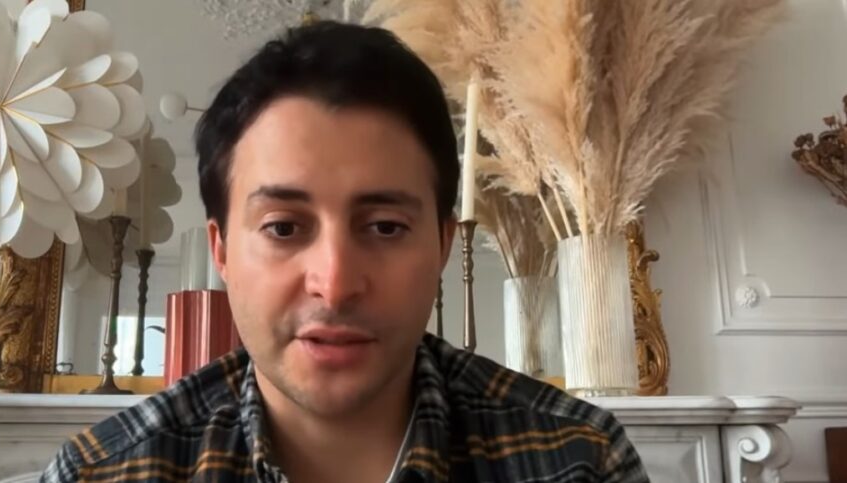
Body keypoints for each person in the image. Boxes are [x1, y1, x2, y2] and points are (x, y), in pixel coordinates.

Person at [42, 21, 649, 483]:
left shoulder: (578, 461)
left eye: (384, 227)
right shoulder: (104, 473)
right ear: (221, 251)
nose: (334, 284)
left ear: (443, 243)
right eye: (284, 228)